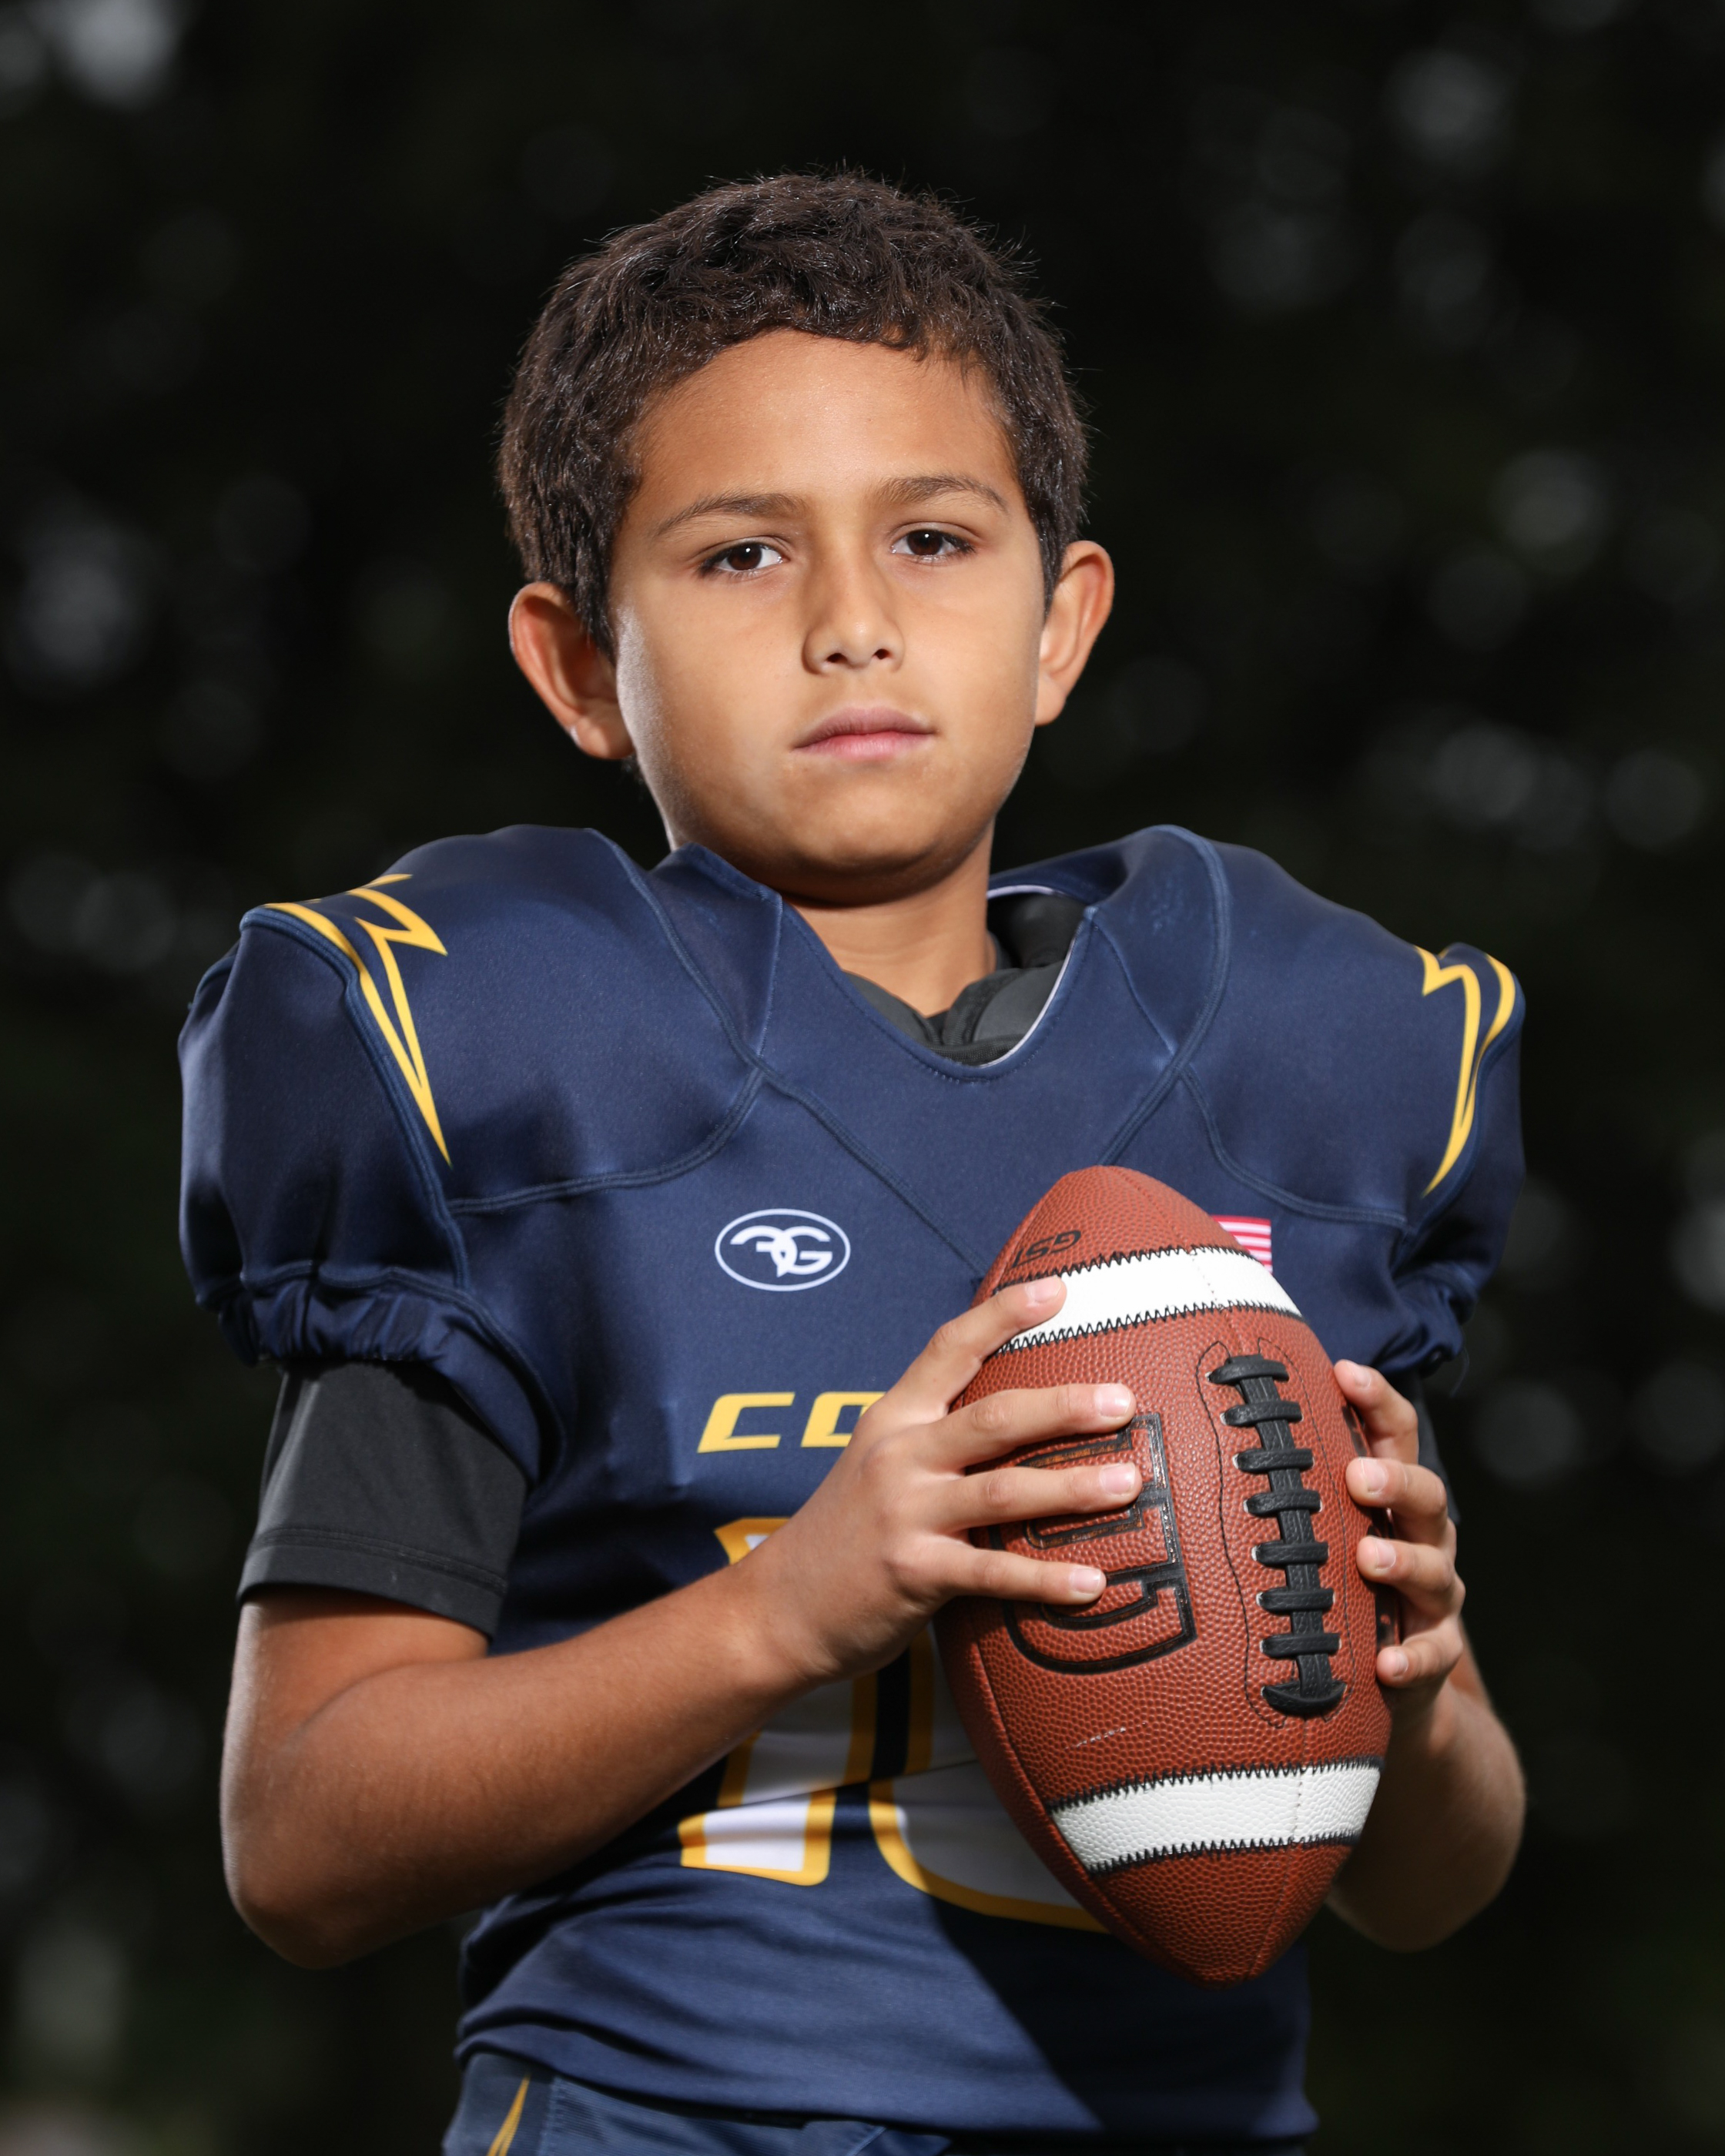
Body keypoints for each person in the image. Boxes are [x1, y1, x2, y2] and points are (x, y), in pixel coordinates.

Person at [179, 173, 1526, 2156]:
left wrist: (1405, 1681)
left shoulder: (1290, 1068)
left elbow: (1430, 1882)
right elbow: (299, 1835)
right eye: (740, 552)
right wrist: (787, 1609)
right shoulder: (515, 1059)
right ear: (577, 663)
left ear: (1060, 622)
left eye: (932, 536)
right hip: (668, 2113)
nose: (851, 623)